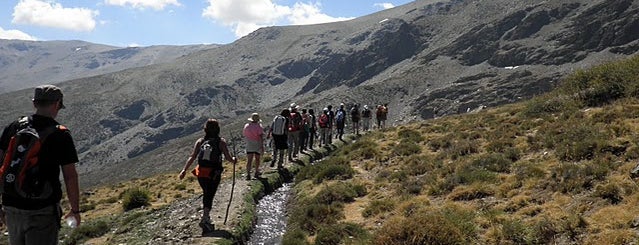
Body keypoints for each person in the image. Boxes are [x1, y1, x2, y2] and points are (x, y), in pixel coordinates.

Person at [0, 85, 81, 244]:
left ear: (34, 103)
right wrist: (75, 210)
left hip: (11, 205)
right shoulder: (60, 134)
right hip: (42, 209)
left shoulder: (14, 126)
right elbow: (70, 176)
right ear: (57, 104)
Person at [179, 119, 237, 233]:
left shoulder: (200, 141)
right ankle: (205, 217)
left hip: (201, 172)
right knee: (210, 194)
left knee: (206, 192)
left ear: (205, 129)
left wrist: (184, 170)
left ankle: (206, 216)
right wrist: (234, 160)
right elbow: (228, 158)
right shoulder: (221, 142)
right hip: (214, 173)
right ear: (218, 129)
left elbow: (192, 156)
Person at [243, 113, 264, 180]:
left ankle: (248, 174)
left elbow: (244, 134)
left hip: (249, 144)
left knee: (249, 160)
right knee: (257, 159)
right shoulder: (259, 126)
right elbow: (260, 137)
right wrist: (262, 146)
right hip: (257, 144)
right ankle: (256, 172)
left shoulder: (246, 126)